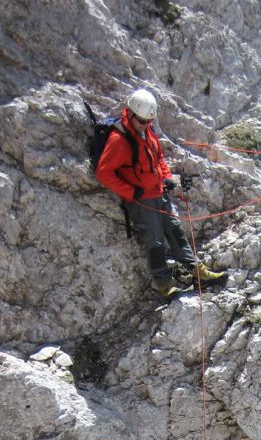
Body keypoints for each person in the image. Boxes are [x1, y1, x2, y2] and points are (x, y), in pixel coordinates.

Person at [95, 87, 226, 298]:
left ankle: (196, 270)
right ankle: (163, 284)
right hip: (141, 199)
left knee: (174, 230)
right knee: (154, 240)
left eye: (149, 122)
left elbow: (159, 159)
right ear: (130, 114)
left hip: (158, 193)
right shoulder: (119, 140)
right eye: (143, 121)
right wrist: (131, 192)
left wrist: (166, 177)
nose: (147, 125)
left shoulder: (147, 132)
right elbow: (103, 172)